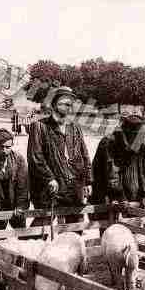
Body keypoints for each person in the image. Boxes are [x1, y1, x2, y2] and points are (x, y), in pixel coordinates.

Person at [27, 87, 92, 225]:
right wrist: (49, 178)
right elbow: (35, 157)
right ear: (54, 105)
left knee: (75, 227)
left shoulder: (75, 128)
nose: (68, 108)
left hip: (74, 186)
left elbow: (85, 155)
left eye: (70, 104)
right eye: (64, 104)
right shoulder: (39, 126)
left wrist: (87, 181)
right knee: (43, 224)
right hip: (51, 186)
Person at [90, 114, 145, 206]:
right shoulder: (109, 143)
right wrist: (120, 196)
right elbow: (112, 174)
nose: (141, 139)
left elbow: (144, 171)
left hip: (129, 196)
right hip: (107, 194)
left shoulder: (141, 145)